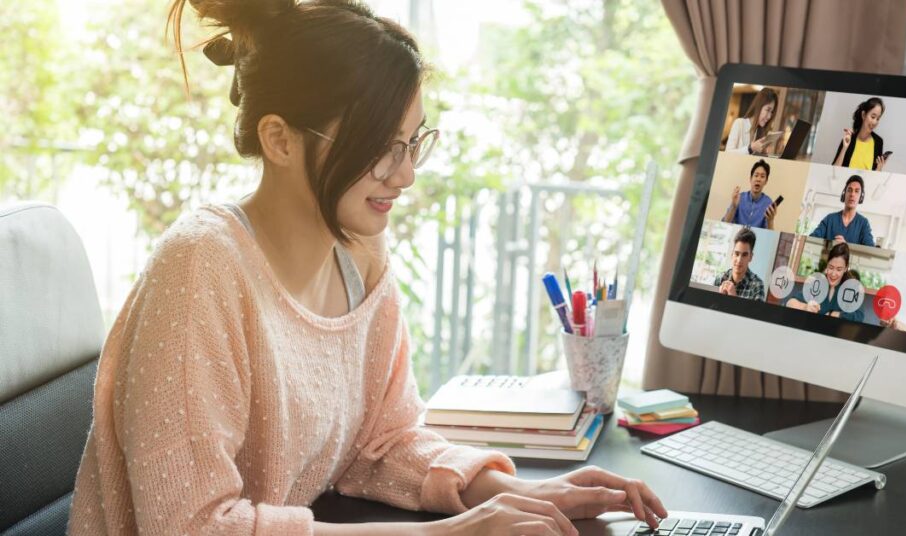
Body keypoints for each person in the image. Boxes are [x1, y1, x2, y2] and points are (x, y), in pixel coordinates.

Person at [67, 1, 667, 534]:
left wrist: (521, 492)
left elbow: (380, 443)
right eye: (381, 146)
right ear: (279, 139)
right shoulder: (200, 269)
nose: (404, 174)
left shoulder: (359, 255)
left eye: (411, 143)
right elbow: (191, 525)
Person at [785, 242, 865, 322]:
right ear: (827, 265)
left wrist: (835, 314)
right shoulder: (818, 283)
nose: (833, 274)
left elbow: (859, 316)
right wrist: (805, 307)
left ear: (845, 268)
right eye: (831, 267)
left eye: (839, 269)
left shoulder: (852, 288)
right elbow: (789, 303)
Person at [808, 175, 875, 246]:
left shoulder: (863, 224)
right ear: (844, 194)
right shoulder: (830, 219)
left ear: (861, 197)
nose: (852, 194)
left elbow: (870, 249)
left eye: (857, 191)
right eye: (849, 190)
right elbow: (812, 238)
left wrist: (845, 247)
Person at [832, 97, 888, 171]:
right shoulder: (849, 138)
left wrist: (879, 168)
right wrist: (844, 148)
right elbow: (833, 171)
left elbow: (874, 178)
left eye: (878, 119)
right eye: (873, 117)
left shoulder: (878, 142)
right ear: (864, 115)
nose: (875, 122)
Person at [722, 159, 778, 229]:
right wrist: (733, 206)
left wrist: (771, 220)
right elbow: (725, 224)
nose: (758, 179)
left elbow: (769, 233)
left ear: (766, 181)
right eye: (756, 175)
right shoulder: (740, 197)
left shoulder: (768, 203)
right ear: (750, 179)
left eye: (762, 176)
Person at [714, 227, 766, 301]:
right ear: (732, 254)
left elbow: (756, 313)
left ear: (750, 257)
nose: (739, 260)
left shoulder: (757, 286)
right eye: (736, 253)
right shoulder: (719, 279)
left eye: (744, 255)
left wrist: (734, 299)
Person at [725, 87, 779, 155]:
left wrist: (764, 153)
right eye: (768, 110)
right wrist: (750, 148)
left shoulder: (759, 132)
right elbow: (727, 153)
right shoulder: (739, 123)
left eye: (771, 112)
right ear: (759, 106)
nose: (769, 116)